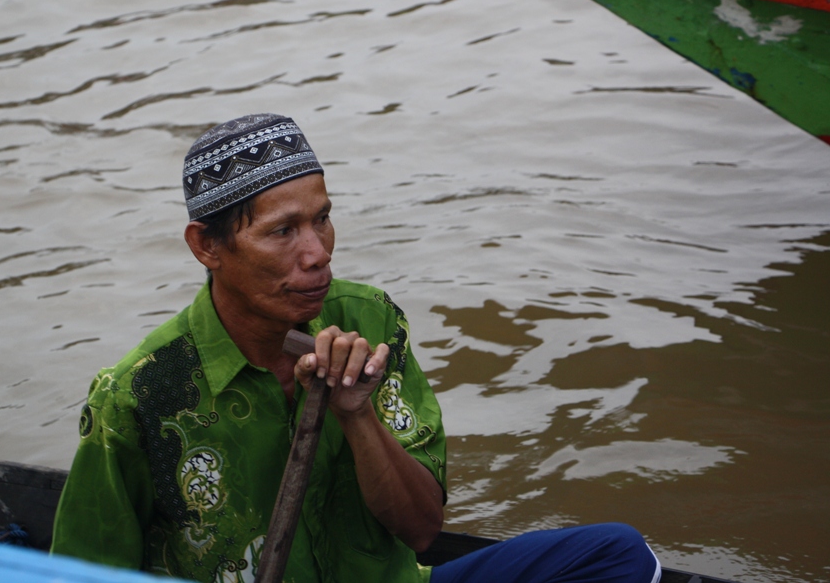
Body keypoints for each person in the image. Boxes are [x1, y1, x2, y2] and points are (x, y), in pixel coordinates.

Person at [51, 113, 661, 583]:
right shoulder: (142, 393)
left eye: (322, 220)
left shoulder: (369, 320)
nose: (317, 252)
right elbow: (82, 572)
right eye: (283, 232)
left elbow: (422, 531)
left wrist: (357, 411)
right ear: (207, 247)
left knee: (622, 558)